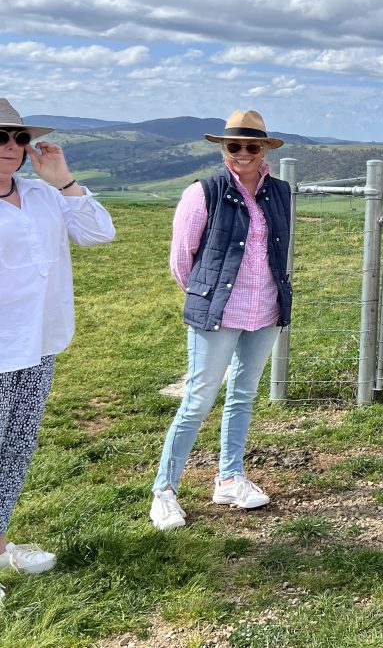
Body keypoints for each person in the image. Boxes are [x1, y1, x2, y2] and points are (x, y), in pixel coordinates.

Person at [150, 110, 292, 530]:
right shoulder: (203, 193)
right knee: (197, 401)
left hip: (265, 310)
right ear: (223, 149)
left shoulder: (280, 191)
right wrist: (206, 298)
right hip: (218, 314)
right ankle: (164, 490)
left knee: (243, 396)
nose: (244, 153)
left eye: (253, 145)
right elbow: (182, 260)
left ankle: (230, 478)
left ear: (265, 149)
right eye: (235, 146)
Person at [0, 99, 115, 587]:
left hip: (39, 344)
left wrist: (63, 180)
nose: (11, 146)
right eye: (0, 137)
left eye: (18, 138)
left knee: (15, 451)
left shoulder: (42, 195)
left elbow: (98, 232)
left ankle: (0, 542)